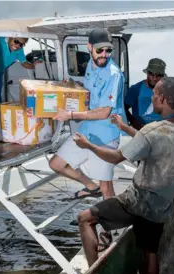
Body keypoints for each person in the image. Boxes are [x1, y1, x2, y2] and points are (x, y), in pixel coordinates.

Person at [73, 77, 174, 274]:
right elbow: (151, 140)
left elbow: (117, 157)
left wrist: (88, 145)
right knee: (151, 254)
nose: (151, 97)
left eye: (155, 94)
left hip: (137, 202)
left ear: (163, 99)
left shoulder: (154, 131)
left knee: (84, 219)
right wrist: (124, 127)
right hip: (161, 207)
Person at [48, 28, 127, 251]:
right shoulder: (91, 66)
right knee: (56, 164)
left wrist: (70, 115)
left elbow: (104, 111)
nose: (104, 54)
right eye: (100, 50)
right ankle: (88, 185)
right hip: (86, 129)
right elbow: (90, 94)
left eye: (108, 50)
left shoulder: (113, 73)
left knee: (107, 188)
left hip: (105, 135)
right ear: (89, 48)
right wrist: (73, 88)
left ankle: (108, 232)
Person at [0, 37, 40, 116]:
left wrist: (35, 66)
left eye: (21, 44)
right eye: (16, 41)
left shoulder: (19, 50)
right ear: (11, 37)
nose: (18, 45)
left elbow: (24, 63)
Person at [124, 58, 167, 130]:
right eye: (151, 74)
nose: (154, 78)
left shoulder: (166, 90)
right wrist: (134, 123)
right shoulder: (136, 89)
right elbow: (124, 109)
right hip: (140, 131)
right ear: (147, 73)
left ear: (162, 76)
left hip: (161, 131)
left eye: (158, 75)